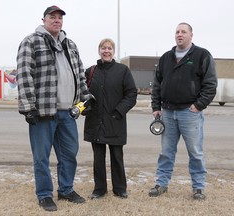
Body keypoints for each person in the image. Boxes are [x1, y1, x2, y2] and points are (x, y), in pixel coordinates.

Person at [16, 5, 93, 212]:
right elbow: (24, 76)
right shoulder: (31, 42)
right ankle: (44, 194)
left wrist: (85, 99)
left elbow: (80, 75)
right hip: (43, 112)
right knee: (41, 157)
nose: (57, 20)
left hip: (68, 112)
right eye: (52, 17)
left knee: (69, 155)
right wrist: (27, 107)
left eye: (60, 18)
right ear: (43, 20)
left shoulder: (71, 44)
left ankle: (66, 189)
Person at [149, 22, 217, 200]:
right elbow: (157, 84)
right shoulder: (166, 58)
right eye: (177, 32)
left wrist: (198, 105)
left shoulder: (202, 55)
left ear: (191, 35)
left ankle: (199, 188)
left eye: (184, 32)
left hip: (190, 113)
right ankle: (161, 184)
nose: (180, 34)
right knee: (166, 152)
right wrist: (156, 107)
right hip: (168, 113)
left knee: (195, 152)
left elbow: (210, 85)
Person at [83, 38, 137, 200]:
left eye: (109, 48)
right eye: (103, 48)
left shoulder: (122, 71)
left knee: (117, 157)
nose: (106, 51)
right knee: (98, 158)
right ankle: (99, 189)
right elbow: (82, 93)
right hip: (95, 122)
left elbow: (131, 94)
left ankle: (120, 188)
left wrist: (118, 112)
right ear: (99, 50)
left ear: (114, 52)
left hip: (115, 120)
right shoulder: (91, 71)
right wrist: (84, 107)